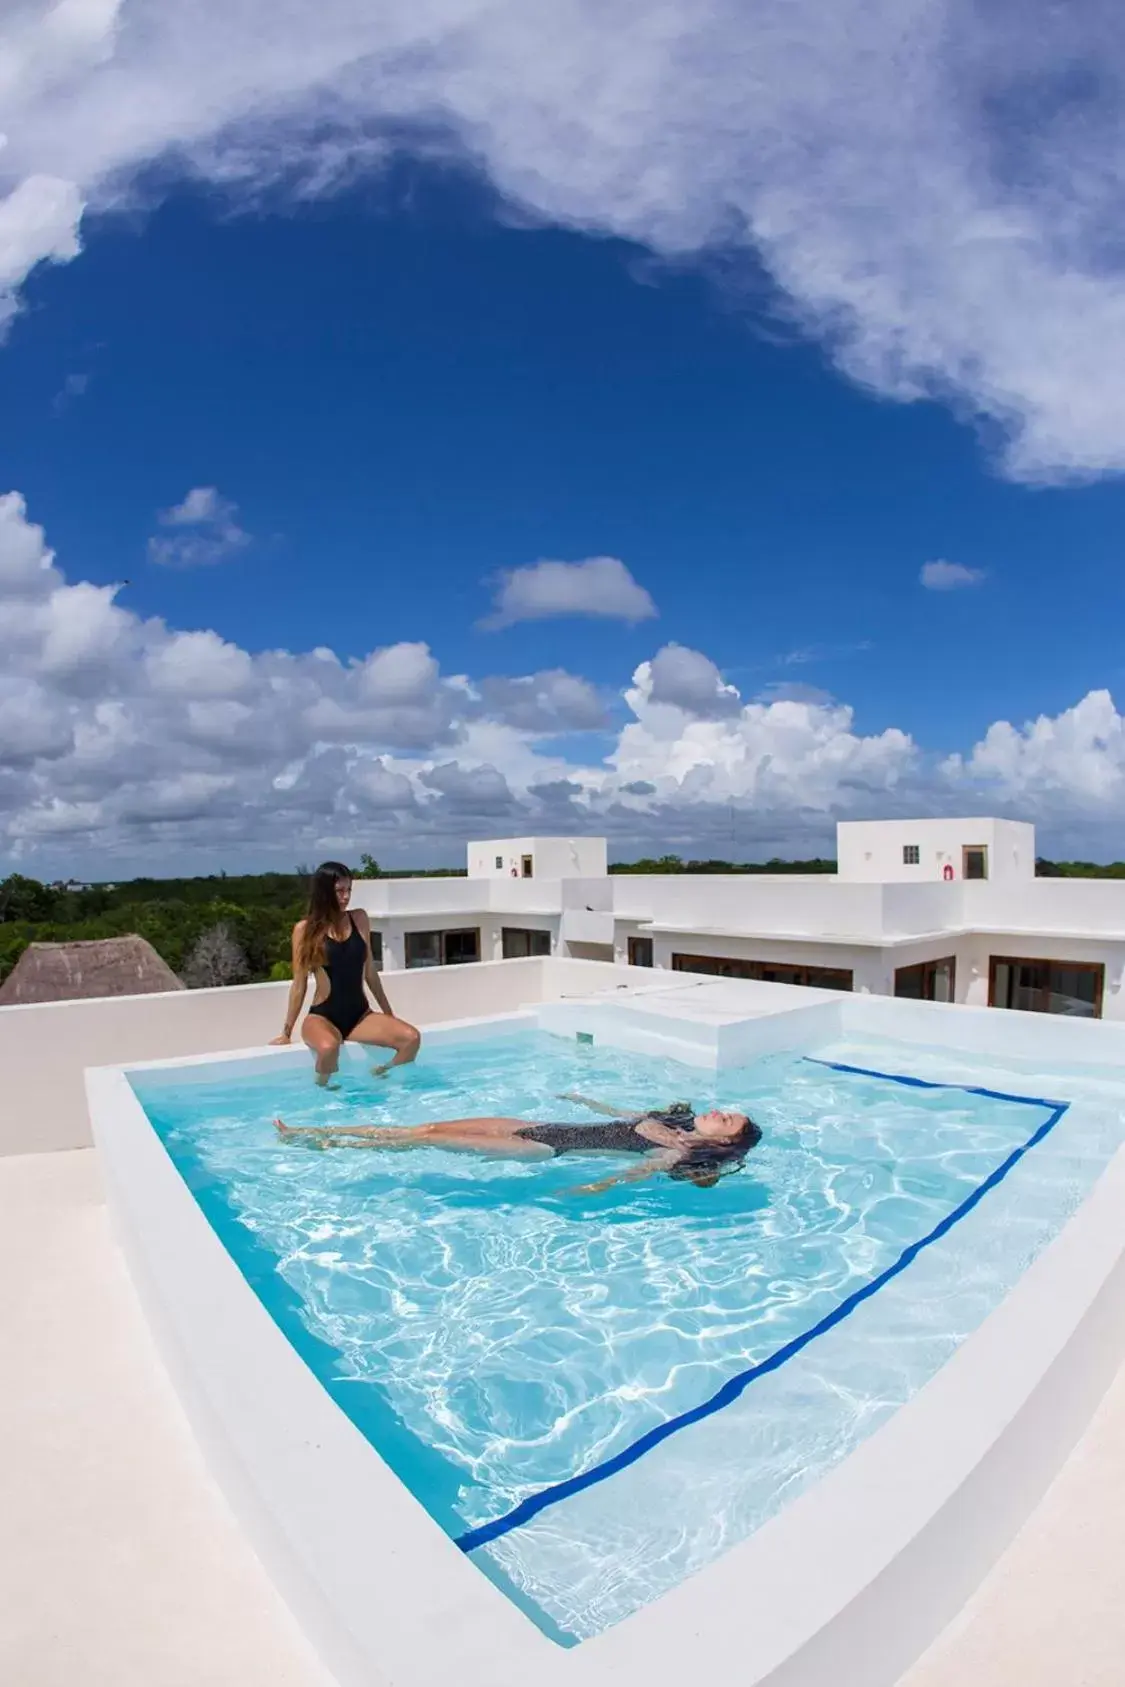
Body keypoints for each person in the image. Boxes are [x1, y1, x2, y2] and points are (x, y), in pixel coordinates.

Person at [273, 1090, 761, 1192]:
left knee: (428, 1141)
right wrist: (588, 1102)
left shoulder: (676, 1150)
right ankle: (315, 1132)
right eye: (729, 1110)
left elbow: (638, 1172)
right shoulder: (669, 1119)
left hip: (546, 1149)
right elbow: (621, 1116)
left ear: (724, 1141)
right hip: (538, 1123)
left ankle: (333, 1145)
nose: (724, 1111)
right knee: (426, 1126)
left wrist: (598, 1188)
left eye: (730, 1120)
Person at [272, 860, 421, 1085]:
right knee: (329, 1048)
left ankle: (382, 1074)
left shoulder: (359, 919)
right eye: (339, 891)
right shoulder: (305, 930)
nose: (346, 897)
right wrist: (286, 1032)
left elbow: (370, 972)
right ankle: (324, 1094)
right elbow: (299, 984)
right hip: (322, 1017)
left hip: (360, 1016)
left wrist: (389, 1014)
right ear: (324, 893)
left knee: (411, 1039)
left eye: (349, 890)